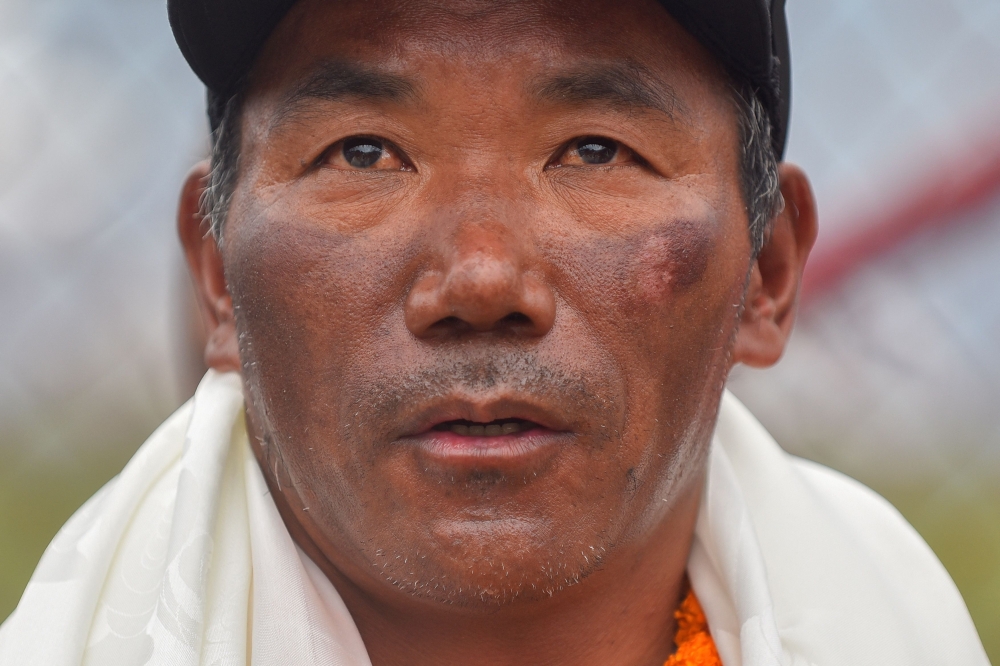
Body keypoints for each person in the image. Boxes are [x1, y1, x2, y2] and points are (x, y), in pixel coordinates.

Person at [0, 0, 990, 664]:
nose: (480, 277)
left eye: (594, 150)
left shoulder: (896, 630)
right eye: (363, 152)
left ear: (764, 276)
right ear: (218, 282)